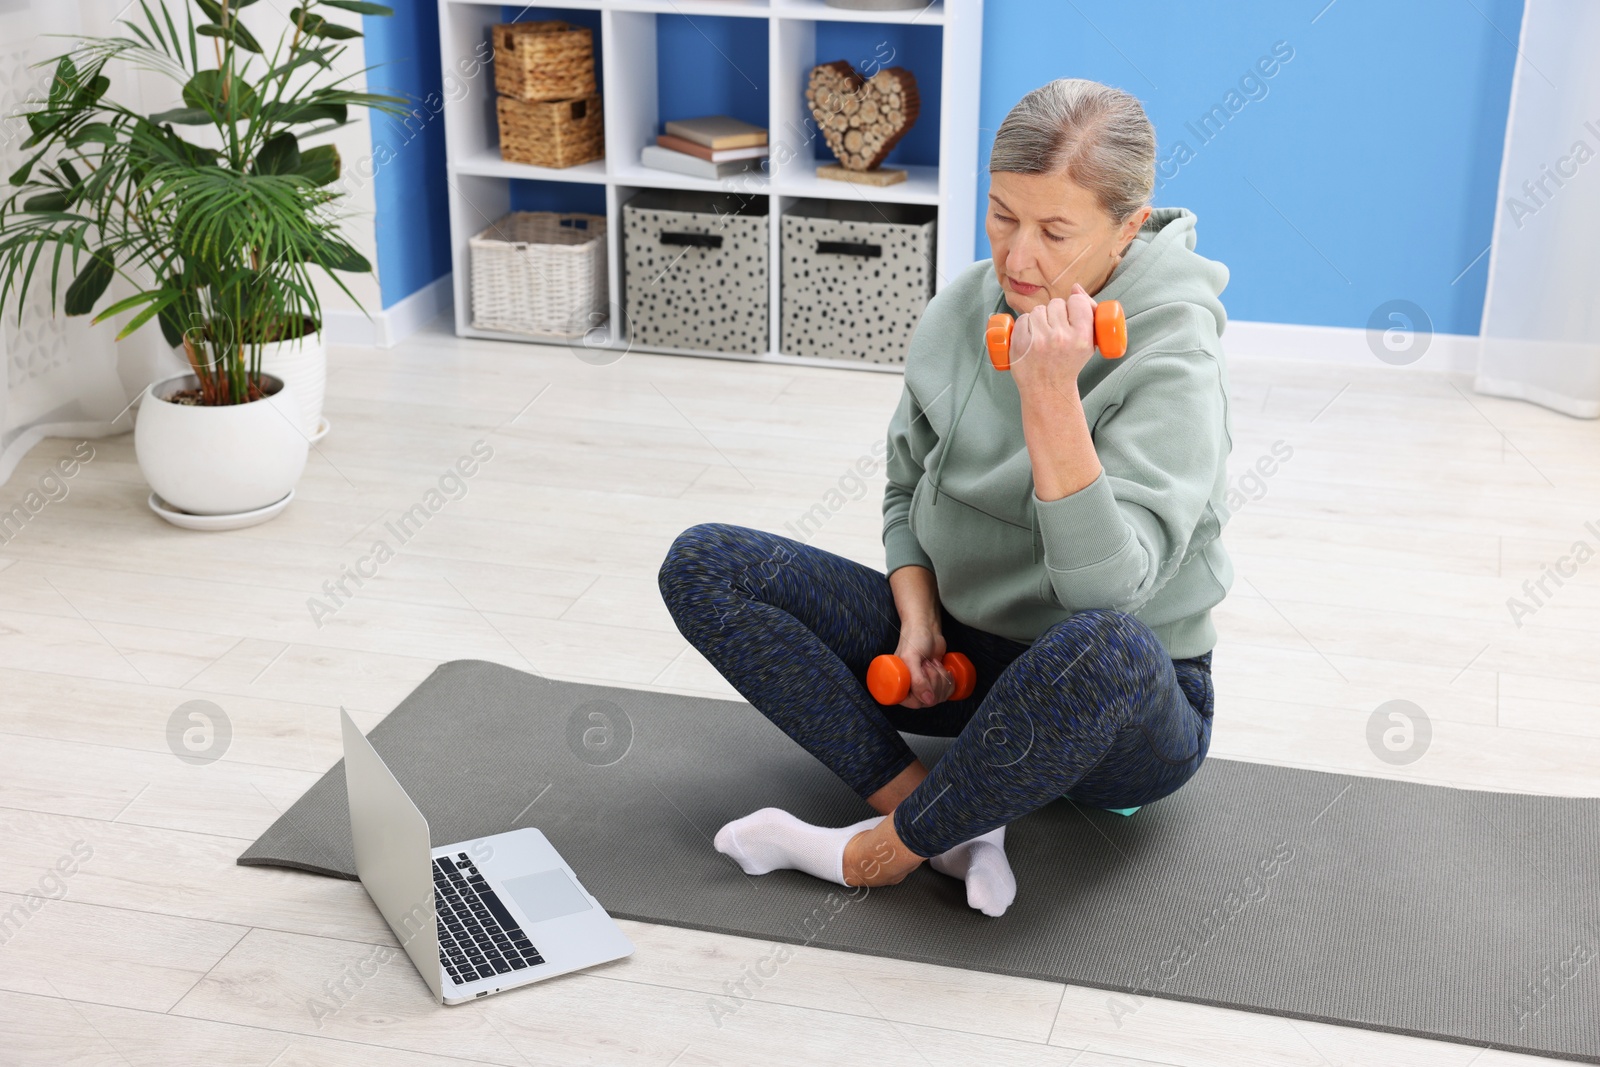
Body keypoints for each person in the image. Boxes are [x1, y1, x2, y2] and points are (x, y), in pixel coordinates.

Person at [658, 78, 1232, 917]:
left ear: (1128, 227)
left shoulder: (1178, 350)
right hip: (966, 659)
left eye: (1055, 231)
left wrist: (1049, 396)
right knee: (706, 563)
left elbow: (1106, 592)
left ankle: (876, 853)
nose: (1017, 258)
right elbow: (903, 486)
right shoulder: (965, 306)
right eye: (1002, 215)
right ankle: (941, 814)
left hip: (1121, 707)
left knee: (1103, 645)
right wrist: (917, 615)